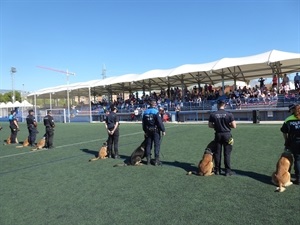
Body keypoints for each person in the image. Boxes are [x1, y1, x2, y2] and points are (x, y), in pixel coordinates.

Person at [208, 99, 237, 176]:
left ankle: (217, 170)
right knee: (227, 153)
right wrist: (227, 126)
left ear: (218, 105)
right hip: (227, 134)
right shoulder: (229, 114)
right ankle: (227, 171)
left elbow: (210, 125)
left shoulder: (213, 114)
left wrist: (216, 126)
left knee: (217, 153)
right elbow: (234, 126)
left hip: (218, 135)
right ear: (225, 105)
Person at [280, 104, 300, 185]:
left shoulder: (288, 119)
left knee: (298, 160)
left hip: (295, 142)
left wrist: (286, 141)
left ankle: (298, 178)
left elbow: (284, 132)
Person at [142, 100, 166, 166]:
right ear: (154, 105)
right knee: (157, 145)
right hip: (155, 131)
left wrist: (145, 131)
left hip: (148, 131)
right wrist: (163, 130)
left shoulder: (145, 112)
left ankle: (148, 161)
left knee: (148, 145)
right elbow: (159, 122)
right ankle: (156, 161)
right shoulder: (156, 112)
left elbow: (143, 123)